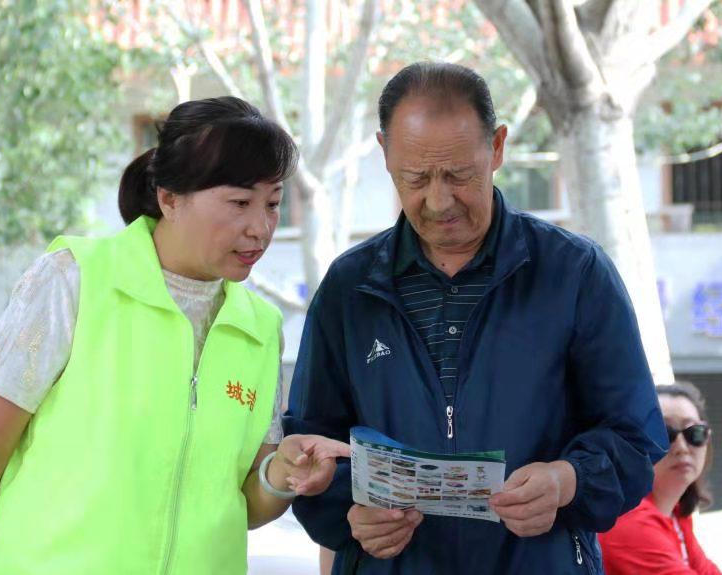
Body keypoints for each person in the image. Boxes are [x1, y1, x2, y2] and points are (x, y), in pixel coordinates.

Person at [283, 62, 668, 573]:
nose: (439, 201)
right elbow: (311, 443)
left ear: (498, 148)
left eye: (459, 175)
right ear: (384, 153)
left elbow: (636, 437)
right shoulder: (350, 288)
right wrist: (349, 512)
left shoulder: (574, 273)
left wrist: (566, 481)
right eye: (415, 179)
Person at [0, 96, 349, 575]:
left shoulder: (260, 326)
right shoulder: (75, 278)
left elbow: (246, 502)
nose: (260, 228)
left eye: (274, 204)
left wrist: (284, 473)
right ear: (169, 198)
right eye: (240, 202)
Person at [599, 381, 720, 574]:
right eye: (663, 434)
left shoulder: (676, 514)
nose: (681, 448)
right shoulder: (630, 520)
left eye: (694, 433)